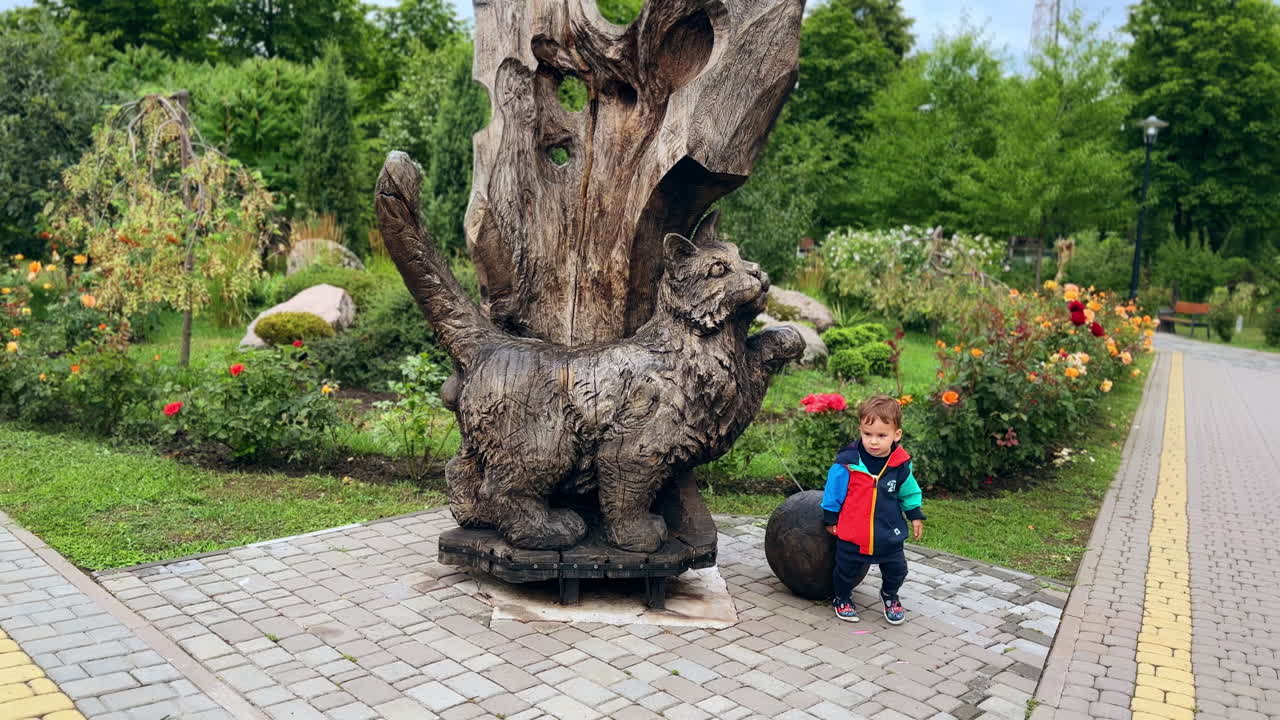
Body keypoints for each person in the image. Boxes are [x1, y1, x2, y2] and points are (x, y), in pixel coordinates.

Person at [821, 394, 925, 624]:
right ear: (860, 430)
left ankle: (890, 596)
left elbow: (909, 491)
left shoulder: (900, 465)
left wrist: (915, 514)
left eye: (881, 435)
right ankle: (842, 597)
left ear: (896, 435)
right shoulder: (848, 463)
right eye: (867, 434)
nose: (873, 441)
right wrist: (830, 518)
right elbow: (834, 491)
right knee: (845, 570)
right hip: (853, 532)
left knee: (897, 569)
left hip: (888, 533)